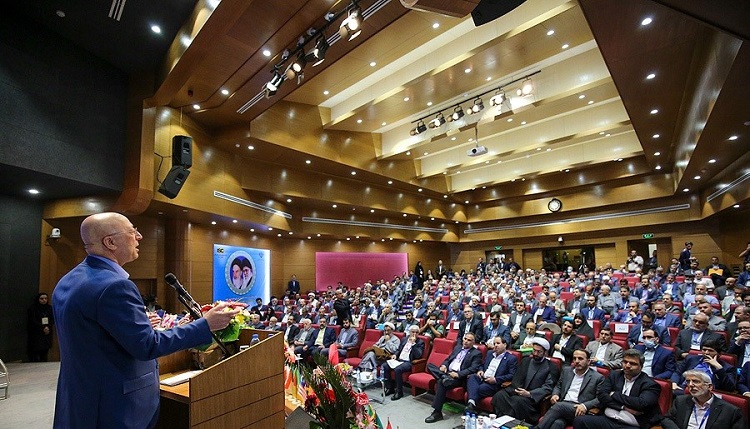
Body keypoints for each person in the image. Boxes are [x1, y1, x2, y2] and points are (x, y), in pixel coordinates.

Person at [52, 212, 239, 429]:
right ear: (110, 242)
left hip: (80, 398)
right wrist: (206, 325)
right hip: (113, 408)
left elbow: (91, 335)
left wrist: (137, 324)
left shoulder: (69, 279)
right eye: (132, 231)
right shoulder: (114, 286)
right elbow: (147, 346)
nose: (139, 236)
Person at [573, 349, 661, 429]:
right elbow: (602, 395)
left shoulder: (650, 384)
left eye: (632, 363)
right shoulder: (614, 375)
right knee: (580, 421)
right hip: (608, 419)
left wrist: (614, 394)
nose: (627, 365)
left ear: (641, 366)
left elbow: (641, 404)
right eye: (625, 362)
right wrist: (623, 407)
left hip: (632, 424)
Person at [491, 337, 560, 423]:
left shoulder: (551, 367)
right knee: (499, 395)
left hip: (532, 399)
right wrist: (518, 390)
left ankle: (508, 423)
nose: (535, 353)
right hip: (518, 392)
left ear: (545, 353)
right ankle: (500, 421)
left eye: (539, 352)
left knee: (517, 401)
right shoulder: (526, 361)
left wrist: (529, 394)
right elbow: (517, 379)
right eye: (534, 350)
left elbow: (548, 387)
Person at [424, 332, 483, 423]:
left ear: (473, 342)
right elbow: (448, 359)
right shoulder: (457, 348)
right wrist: (444, 365)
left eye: (469, 340)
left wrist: (458, 374)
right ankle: (443, 376)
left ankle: (437, 412)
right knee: (430, 366)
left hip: (459, 378)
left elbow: (473, 368)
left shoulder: (476, 353)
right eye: (465, 339)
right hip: (448, 373)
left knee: (441, 382)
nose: (466, 341)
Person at [537, 349, 604, 429]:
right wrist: (555, 394)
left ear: (588, 361)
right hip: (564, 407)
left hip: (578, 408)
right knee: (557, 423)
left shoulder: (598, 377)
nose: (577, 361)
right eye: (574, 358)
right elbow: (558, 386)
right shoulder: (567, 370)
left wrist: (585, 406)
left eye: (580, 358)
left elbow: (600, 398)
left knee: (559, 406)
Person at [660, 370, 746, 429]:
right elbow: (666, 419)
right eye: (688, 381)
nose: (691, 385)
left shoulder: (731, 411)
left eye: (696, 381)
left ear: (710, 387)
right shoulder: (681, 401)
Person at [465, 337, 518, 412]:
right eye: (494, 343)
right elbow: (482, 365)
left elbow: (511, 375)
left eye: (498, 343)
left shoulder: (511, 358)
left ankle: (471, 404)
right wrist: (480, 370)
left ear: (505, 345)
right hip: (482, 378)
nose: (495, 345)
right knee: (472, 377)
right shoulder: (490, 353)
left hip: (494, 384)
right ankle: (472, 404)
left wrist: (496, 379)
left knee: (480, 388)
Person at [671, 339, 735, 393]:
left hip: (706, 394)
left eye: (710, 350)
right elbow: (677, 372)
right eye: (704, 350)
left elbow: (730, 388)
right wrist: (674, 383)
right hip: (684, 389)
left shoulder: (727, 368)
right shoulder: (691, 359)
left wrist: (719, 368)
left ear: (719, 354)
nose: (706, 353)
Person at [383, 325, 425, 400]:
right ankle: (389, 388)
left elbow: (418, 355)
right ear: (409, 332)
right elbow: (399, 350)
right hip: (399, 360)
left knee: (397, 369)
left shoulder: (420, 342)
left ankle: (399, 392)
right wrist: (395, 355)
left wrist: (413, 344)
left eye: (416, 332)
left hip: (409, 362)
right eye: (413, 332)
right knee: (385, 365)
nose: (414, 334)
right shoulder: (404, 339)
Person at [27, 292, 54, 362]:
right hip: (37, 332)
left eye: (45, 298)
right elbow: (33, 320)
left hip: (47, 331)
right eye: (42, 299)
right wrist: (42, 327)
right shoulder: (33, 308)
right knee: (36, 349)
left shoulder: (49, 308)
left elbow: (52, 319)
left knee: (45, 349)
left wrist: (48, 327)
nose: (44, 300)